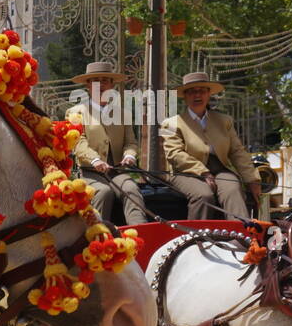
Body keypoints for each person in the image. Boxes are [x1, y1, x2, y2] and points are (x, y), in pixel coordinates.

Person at [161, 71, 261, 220]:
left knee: (233, 188)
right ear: (185, 96)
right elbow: (174, 154)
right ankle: (195, 239)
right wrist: (203, 172)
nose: (197, 95)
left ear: (209, 94)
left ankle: (241, 237)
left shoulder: (224, 121)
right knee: (204, 195)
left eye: (202, 91)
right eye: (192, 92)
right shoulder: (169, 124)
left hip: (220, 170)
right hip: (184, 172)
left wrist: (252, 180)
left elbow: (237, 152)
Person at [66, 61, 148, 225]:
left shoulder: (123, 114)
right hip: (90, 173)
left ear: (112, 85)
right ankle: (97, 238)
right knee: (103, 192)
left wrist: (130, 156)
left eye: (105, 80)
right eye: (95, 81)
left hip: (117, 172)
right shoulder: (76, 112)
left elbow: (131, 142)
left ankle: (141, 235)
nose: (100, 85)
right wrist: (95, 160)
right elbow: (78, 143)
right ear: (88, 86)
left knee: (132, 189)